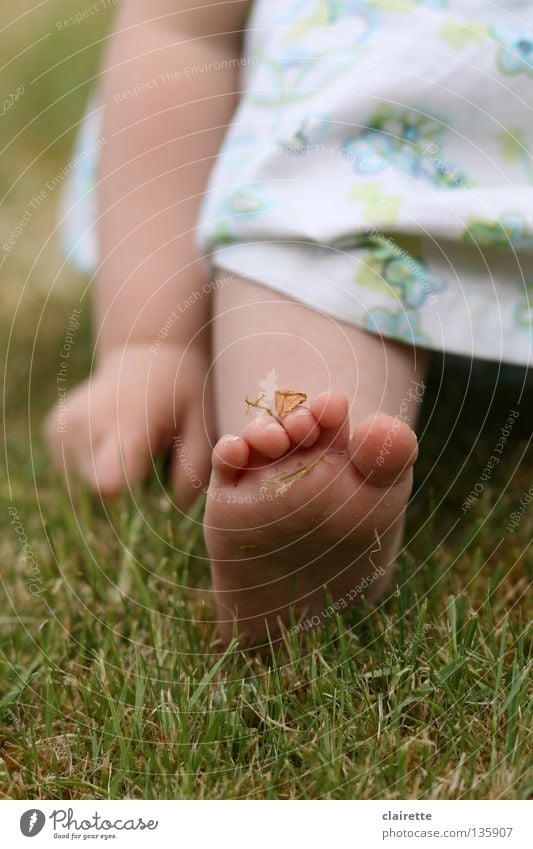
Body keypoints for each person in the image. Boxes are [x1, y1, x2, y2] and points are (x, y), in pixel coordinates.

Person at [45, 0, 532, 647]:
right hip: (349, 126)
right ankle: (308, 492)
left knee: (316, 232)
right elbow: (179, 30)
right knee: (306, 238)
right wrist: (148, 341)